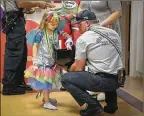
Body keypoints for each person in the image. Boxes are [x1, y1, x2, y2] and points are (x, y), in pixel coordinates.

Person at [62, 10, 124, 116]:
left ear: (86, 23)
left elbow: (78, 68)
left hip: (103, 81)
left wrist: (67, 70)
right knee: (108, 68)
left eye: (79, 24)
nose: (78, 28)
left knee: (65, 79)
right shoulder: (113, 33)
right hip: (119, 79)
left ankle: (93, 106)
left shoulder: (84, 38)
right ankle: (111, 105)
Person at [2, 1, 55, 95]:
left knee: (21, 54)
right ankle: (10, 86)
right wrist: (38, 3)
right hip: (14, 20)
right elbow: (21, 2)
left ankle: (18, 83)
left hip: (16, 19)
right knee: (14, 54)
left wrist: (27, 8)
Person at [24, 12, 72, 110]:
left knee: (49, 82)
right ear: (46, 22)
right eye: (52, 24)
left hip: (52, 62)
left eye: (56, 24)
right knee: (45, 82)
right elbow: (35, 45)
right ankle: (46, 102)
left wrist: (69, 41)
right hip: (42, 62)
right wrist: (35, 60)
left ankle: (46, 98)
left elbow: (67, 36)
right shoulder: (40, 33)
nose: (55, 26)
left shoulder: (56, 31)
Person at [80, 1, 122, 100]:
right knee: (92, 57)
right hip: (90, 31)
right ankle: (96, 86)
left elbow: (118, 12)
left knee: (105, 59)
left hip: (106, 29)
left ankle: (106, 90)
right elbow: (81, 8)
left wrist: (100, 26)